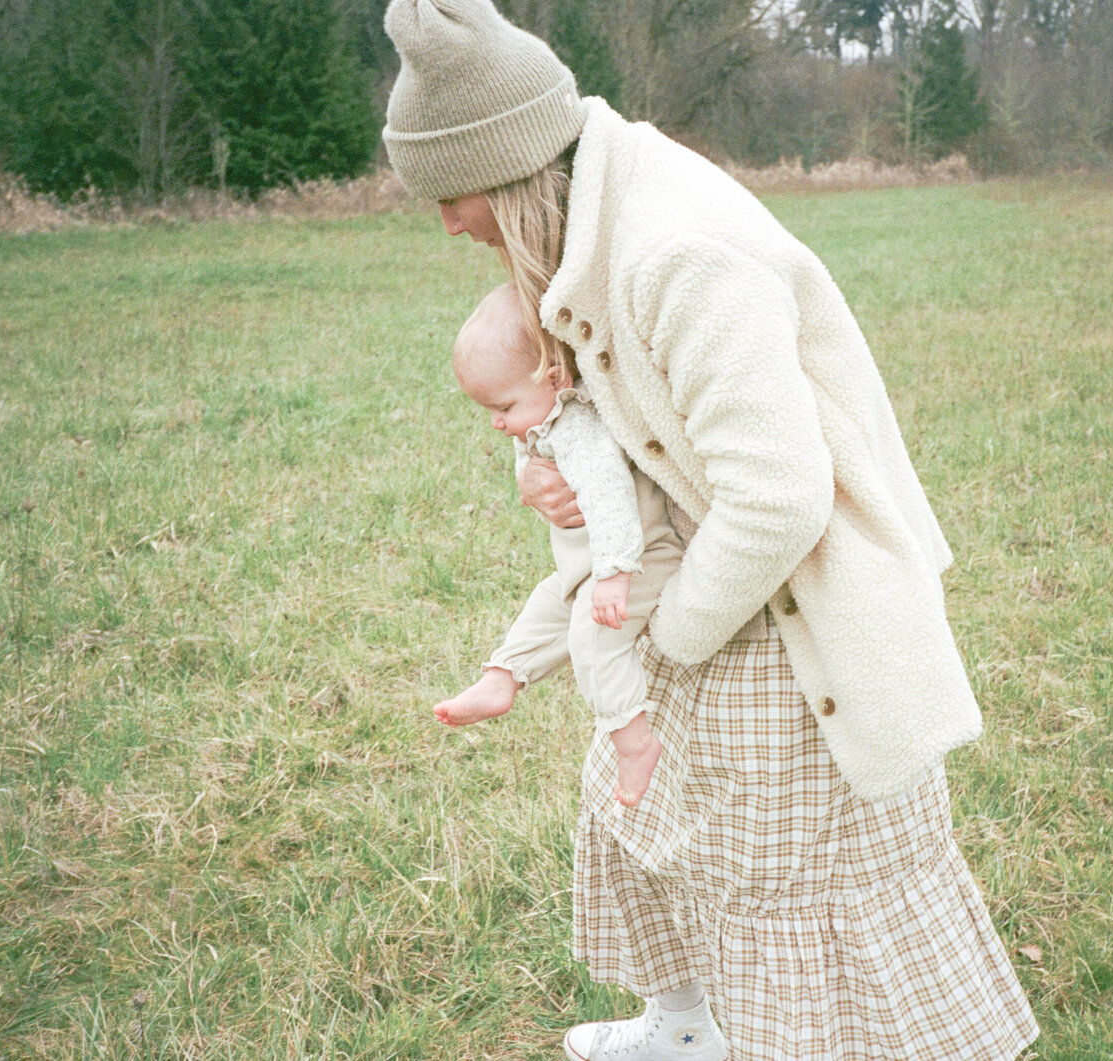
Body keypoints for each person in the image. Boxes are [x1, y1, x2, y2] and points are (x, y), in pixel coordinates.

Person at [383, 1, 1041, 1058]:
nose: (448, 226)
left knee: (778, 870)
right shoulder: (591, 213)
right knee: (647, 811)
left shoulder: (674, 252)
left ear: (507, 172)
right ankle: (683, 1027)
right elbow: (601, 404)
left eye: (450, 197)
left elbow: (781, 499)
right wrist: (550, 476)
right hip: (707, 567)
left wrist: (666, 633)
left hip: (793, 601)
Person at [435, 283, 685, 808]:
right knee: (546, 608)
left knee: (595, 639)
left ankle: (633, 739)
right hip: (587, 570)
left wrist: (616, 572)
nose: (498, 423)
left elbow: (612, 496)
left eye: (503, 406)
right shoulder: (546, 417)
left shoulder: (580, 430)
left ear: (555, 379)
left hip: (641, 559)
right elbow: (529, 449)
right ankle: (504, 675)